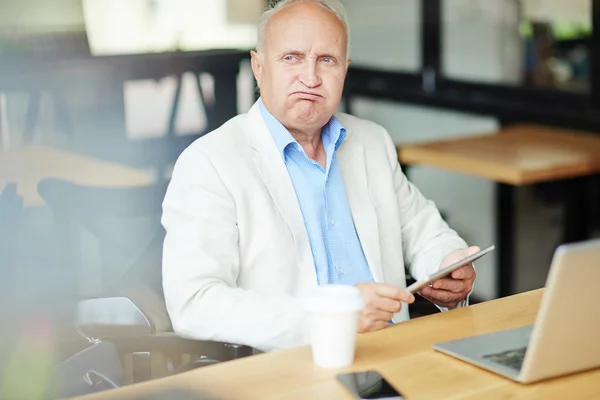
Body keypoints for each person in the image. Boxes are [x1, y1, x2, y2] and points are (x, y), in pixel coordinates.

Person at [161, 0, 479, 352]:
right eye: (291, 58)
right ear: (258, 66)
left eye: (327, 60)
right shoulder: (209, 163)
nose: (310, 78)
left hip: (394, 357)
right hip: (291, 370)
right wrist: (331, 317)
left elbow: (423, 230)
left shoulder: (372, 141)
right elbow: (194, 303)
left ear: (345, 69)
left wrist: (447, 265)